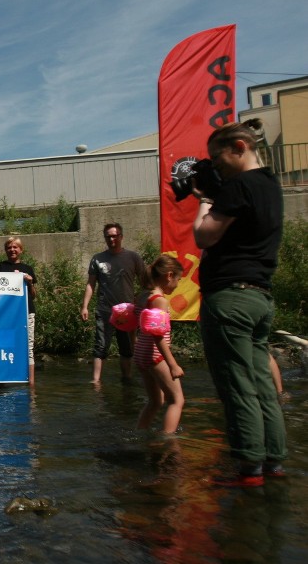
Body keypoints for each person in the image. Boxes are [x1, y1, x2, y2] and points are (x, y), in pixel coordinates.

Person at [193, 120, 287, 486]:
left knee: (237, 385)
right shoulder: (270, 184)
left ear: (239, 146)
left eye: (218, 159)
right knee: (263, 383)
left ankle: (248, 466)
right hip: (260, 297)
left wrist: (204, 198)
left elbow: (205, 235)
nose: (217, 166)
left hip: (230, 298)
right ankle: (274, 463)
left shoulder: (239, 185)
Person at [81, 223, 146, 384]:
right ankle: (96, 381)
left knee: (126, 347)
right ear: (105, 238)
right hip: (104, 309)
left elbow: (145, 280)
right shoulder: (97, 259)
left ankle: (127, 377)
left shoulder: (133, 257)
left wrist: (142, 300)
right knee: (101, 345)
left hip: (127, 310)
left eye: (114, 235)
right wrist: (85, 306)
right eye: (108, 236)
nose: (111, 239)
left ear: (121, 237)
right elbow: (91, 284)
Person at [133, 255, 185, 434]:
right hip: (154, 354)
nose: (177, 284)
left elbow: (132, 323)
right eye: (178, 279)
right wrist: (172, 364)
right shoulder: (159, 300)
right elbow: (158, 335)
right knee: (177, 400)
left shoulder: (142, 296)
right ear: (169, 275)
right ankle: (167, 440)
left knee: (156, 401)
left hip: (141, 352)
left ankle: (140, 432)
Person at [0, 236, 37, 384]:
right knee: (2, 346)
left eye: (15, 247)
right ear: (5, 250)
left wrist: (29, 283)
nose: (12, 250)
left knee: (28, 349)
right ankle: (1, 382)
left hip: (25, 313)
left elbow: (33, 295)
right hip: (4, 315)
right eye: (9, 247)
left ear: (21, 250)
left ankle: (31, 385)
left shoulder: (28, 269)